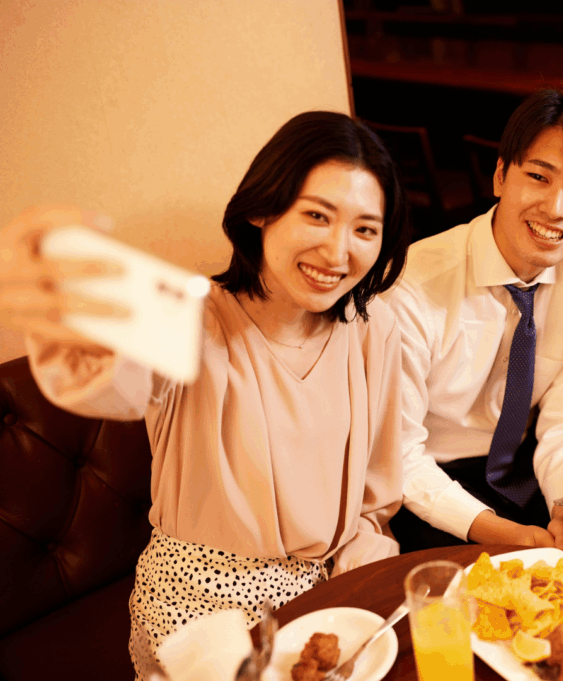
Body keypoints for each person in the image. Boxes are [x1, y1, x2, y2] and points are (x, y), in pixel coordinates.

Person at [0, 112, 411, 677]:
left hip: (322, 592)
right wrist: (68, 317)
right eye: (317, 215)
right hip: (198, 609)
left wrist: (365, 587)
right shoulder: (191, 321)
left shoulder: (373, 328)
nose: (339, 253)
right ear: (263, 209)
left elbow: (373, 500)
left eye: (365, 229)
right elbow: (114, 385)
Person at [385, 89, 563, 555]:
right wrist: (505, 535)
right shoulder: (412, 287)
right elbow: (398, 453)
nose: (556, 209)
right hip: (427, 481)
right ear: (500, 176)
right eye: (538, 177)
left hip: (526, 470)